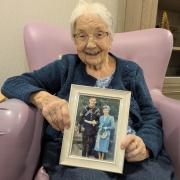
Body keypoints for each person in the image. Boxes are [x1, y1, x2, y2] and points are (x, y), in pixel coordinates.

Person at [1, 1, 175, 180]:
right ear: (74, 39)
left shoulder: (131, 71)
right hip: (77, 157)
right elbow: (13, 83)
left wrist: (144, 145)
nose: (90, 44)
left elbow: (150, 115)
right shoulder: (66, 67)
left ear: (110, 37)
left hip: (127, 152)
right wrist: (43, 98)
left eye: (99, 34)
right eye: (81, 36)